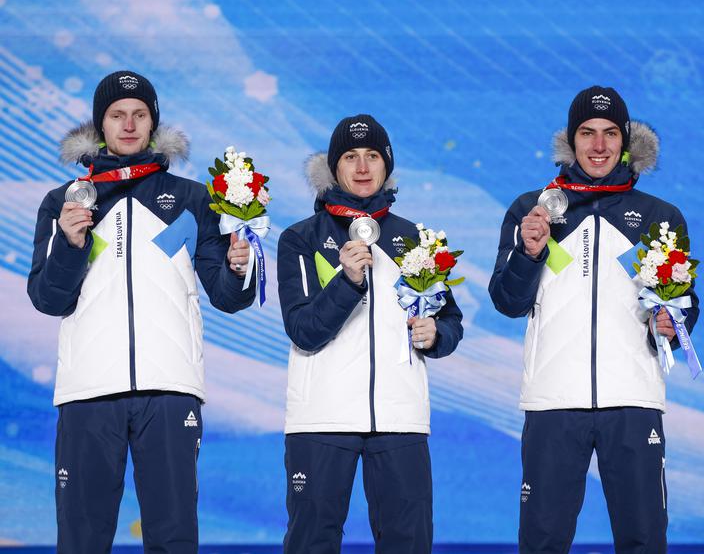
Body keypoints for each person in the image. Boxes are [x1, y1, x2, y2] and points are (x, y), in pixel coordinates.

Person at [27, 70, 255, 552]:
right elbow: (49, 299)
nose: (128, 125)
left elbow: (227, 296)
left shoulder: (193, 199)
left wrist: (240, 266)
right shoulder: (65, 202)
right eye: (117, 115)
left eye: (139, 114)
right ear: (99, 124)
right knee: (82, 537)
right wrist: (70, 242)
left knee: (173, 536)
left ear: (153, 123)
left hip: (170, 387)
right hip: (89, 388)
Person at [489, 87, 699, 554]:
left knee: (644, 540)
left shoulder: (659, 217)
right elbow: (507, 300)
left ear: (625, 141)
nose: (598, 145)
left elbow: (685, 303)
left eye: (609, 134)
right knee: (543, 540)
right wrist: (529, 252)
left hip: (633, 398)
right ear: (571, 140)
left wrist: (670, 321)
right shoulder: (533, 209)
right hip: (553, 401)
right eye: (587, 133)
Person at [276, 114, 464, 553]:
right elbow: (303, 330)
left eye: (373, 156)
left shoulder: (416, 239)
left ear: (387, 164)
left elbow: (451, 321)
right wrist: (347, 281)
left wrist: (436, 334)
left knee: (408, 542)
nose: (362, 167)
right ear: (333, 167)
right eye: (350, 157)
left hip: (400, 418)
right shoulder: (301, 238)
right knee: (311, 542)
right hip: (321, 418)